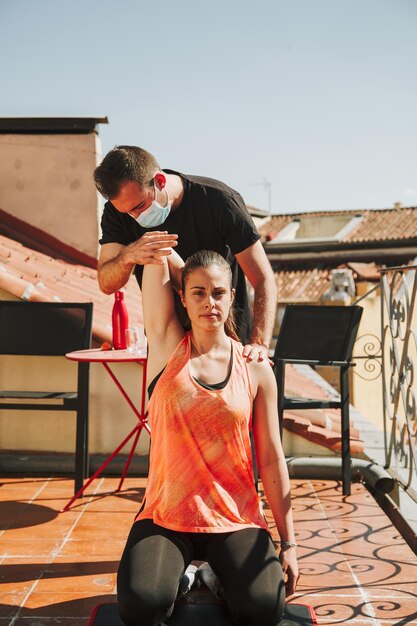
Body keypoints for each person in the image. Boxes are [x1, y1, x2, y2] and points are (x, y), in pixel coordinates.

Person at [117, 248, 299, 626]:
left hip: (235, 516)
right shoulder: (167, 346)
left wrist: (289, 542)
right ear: (182, 298)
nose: (209, 302)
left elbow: (270, 458)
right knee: (141, 608)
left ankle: (216, 576)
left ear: (232, 296)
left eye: (218, 292)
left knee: (264, 609)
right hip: (166, 514)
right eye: (197, 292)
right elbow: (157, 255)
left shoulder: (256, 368)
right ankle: (182, 578)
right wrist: (157, 222)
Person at [94, 145, 277, 361]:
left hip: (228, 344)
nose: (135, 217)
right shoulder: (118, 213)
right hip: (167, 349)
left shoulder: (219, 201)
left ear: (160, 181)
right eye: (127, 212)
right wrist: (128, 255)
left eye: (141, 206)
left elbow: (263, 278)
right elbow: (106, 283)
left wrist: (259, 344)